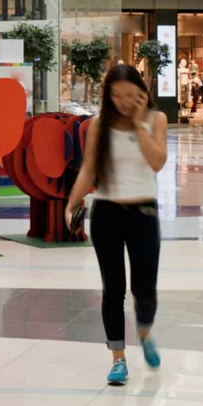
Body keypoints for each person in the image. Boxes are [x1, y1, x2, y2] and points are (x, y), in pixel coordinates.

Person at [65, 64, 170, 386]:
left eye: (129, 95)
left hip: (144, 214)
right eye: (116, 96)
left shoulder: (156, 120)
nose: (123, 102)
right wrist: (71, 203)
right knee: (113, 290)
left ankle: (145, 331)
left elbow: (158, 161)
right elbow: (88, 169)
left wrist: (139, 124)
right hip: (108, 213)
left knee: (144, 289)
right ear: (108, 96)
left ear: (142, 91)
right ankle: (118, 359)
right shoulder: (99, 124)